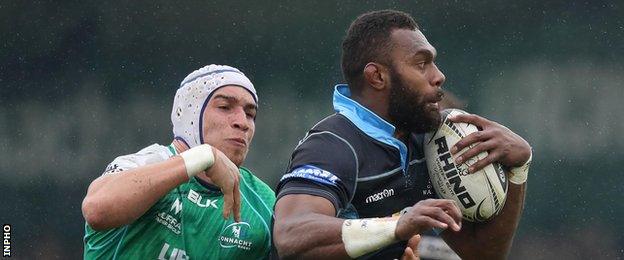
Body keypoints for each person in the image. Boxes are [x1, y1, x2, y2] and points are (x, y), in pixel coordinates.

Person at [271, 10, 532, 260]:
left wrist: (518, 168)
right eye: (421, 64)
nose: (439, 76)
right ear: (377, 76)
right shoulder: (332, 144)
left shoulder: (427, 141)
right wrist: (396, 225)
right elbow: (290, 236)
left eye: (434, 62)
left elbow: (483, 254)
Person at [82, 64, 276, 259]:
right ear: (192, 113)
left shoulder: (262, 202)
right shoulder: (147, 163)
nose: (242, 122)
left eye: (250, 114)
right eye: (225, 107)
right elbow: (96, 210)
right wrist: (204, 156)